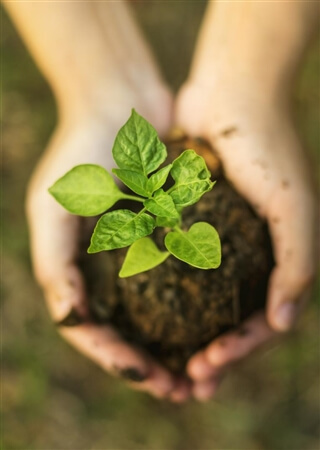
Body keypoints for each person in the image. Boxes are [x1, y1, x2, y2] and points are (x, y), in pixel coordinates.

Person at [3, 0, 318, 402]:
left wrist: (250, 84)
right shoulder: (148, 214)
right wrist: (96, 90)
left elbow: (177, 219)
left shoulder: (178, 201)